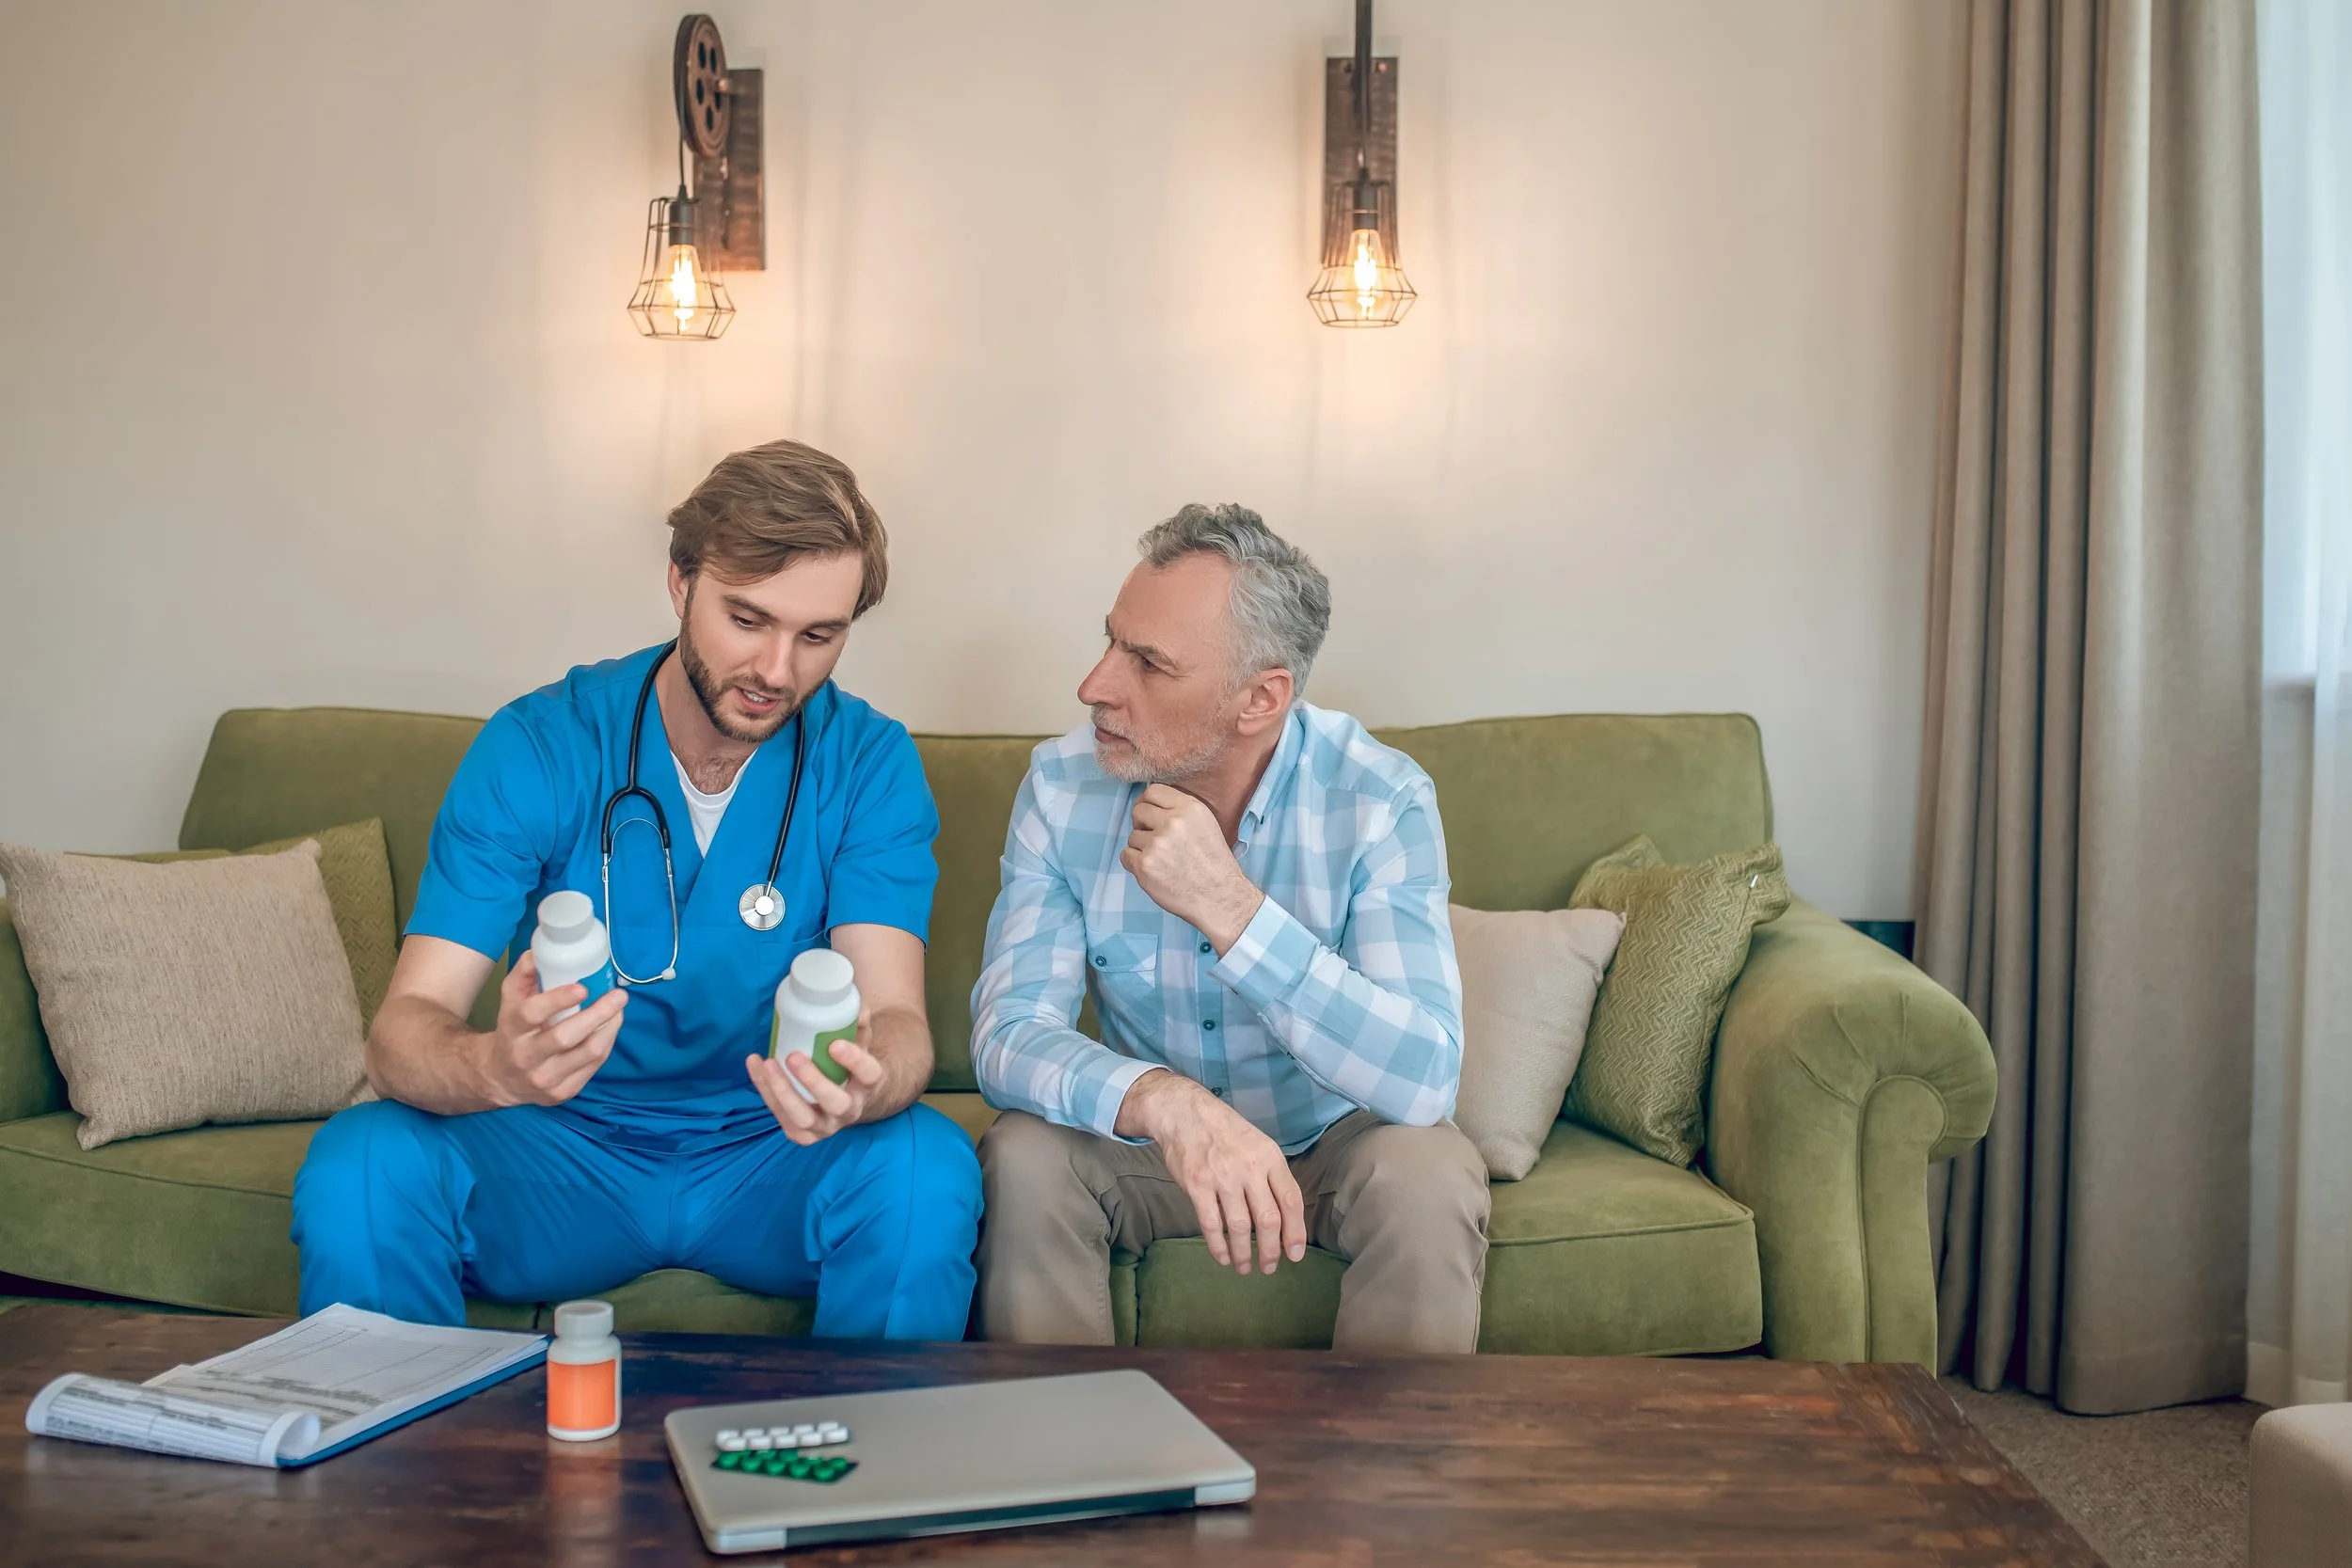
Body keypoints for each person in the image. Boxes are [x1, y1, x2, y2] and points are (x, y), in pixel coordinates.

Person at [292, 439, 980, 1337]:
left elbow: (899, 1025)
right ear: (679, 582)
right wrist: (496, 1066)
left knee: (925, 1161)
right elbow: (402, 1032)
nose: (778, 670)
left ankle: (867, 1473)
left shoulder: (869, 763)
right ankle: (399, 1468)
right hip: (559, 1146)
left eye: (819, 635)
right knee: (363, 1159)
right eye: (747, 618)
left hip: (772, 1151)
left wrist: (867, 1083)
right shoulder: (540, 744)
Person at [970, 504, 1487, 1353]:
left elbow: (1425, 1076)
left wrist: (1233, 911)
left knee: (1427, 1171)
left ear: (1261, 698)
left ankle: (1391, 1481)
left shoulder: (1379, 798)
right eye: (1111, 642)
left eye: (1148, 663)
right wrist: (1162, 1101)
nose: (1095, 684)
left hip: (1334, 1141)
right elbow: (1007, 1033)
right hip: (1153, 1151)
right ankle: (1065, 1466)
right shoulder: (1063, 788)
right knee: (1026, 1155)